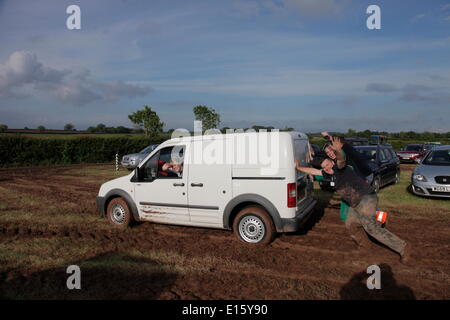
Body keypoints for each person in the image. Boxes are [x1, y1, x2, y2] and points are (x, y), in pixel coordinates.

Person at [295, 137, 411, 263]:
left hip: (366, 198)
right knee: (351, 224)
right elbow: (314, 170)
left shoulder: (340, 167)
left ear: (331, 162)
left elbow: (341, 159)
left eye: (327, 164)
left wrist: (339, 150)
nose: (326, 168)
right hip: (355, 203)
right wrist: (298, 167)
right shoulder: (329, 173)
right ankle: (365, 247)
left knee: (371, 228)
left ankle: (403, 248)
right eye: (324, 167)